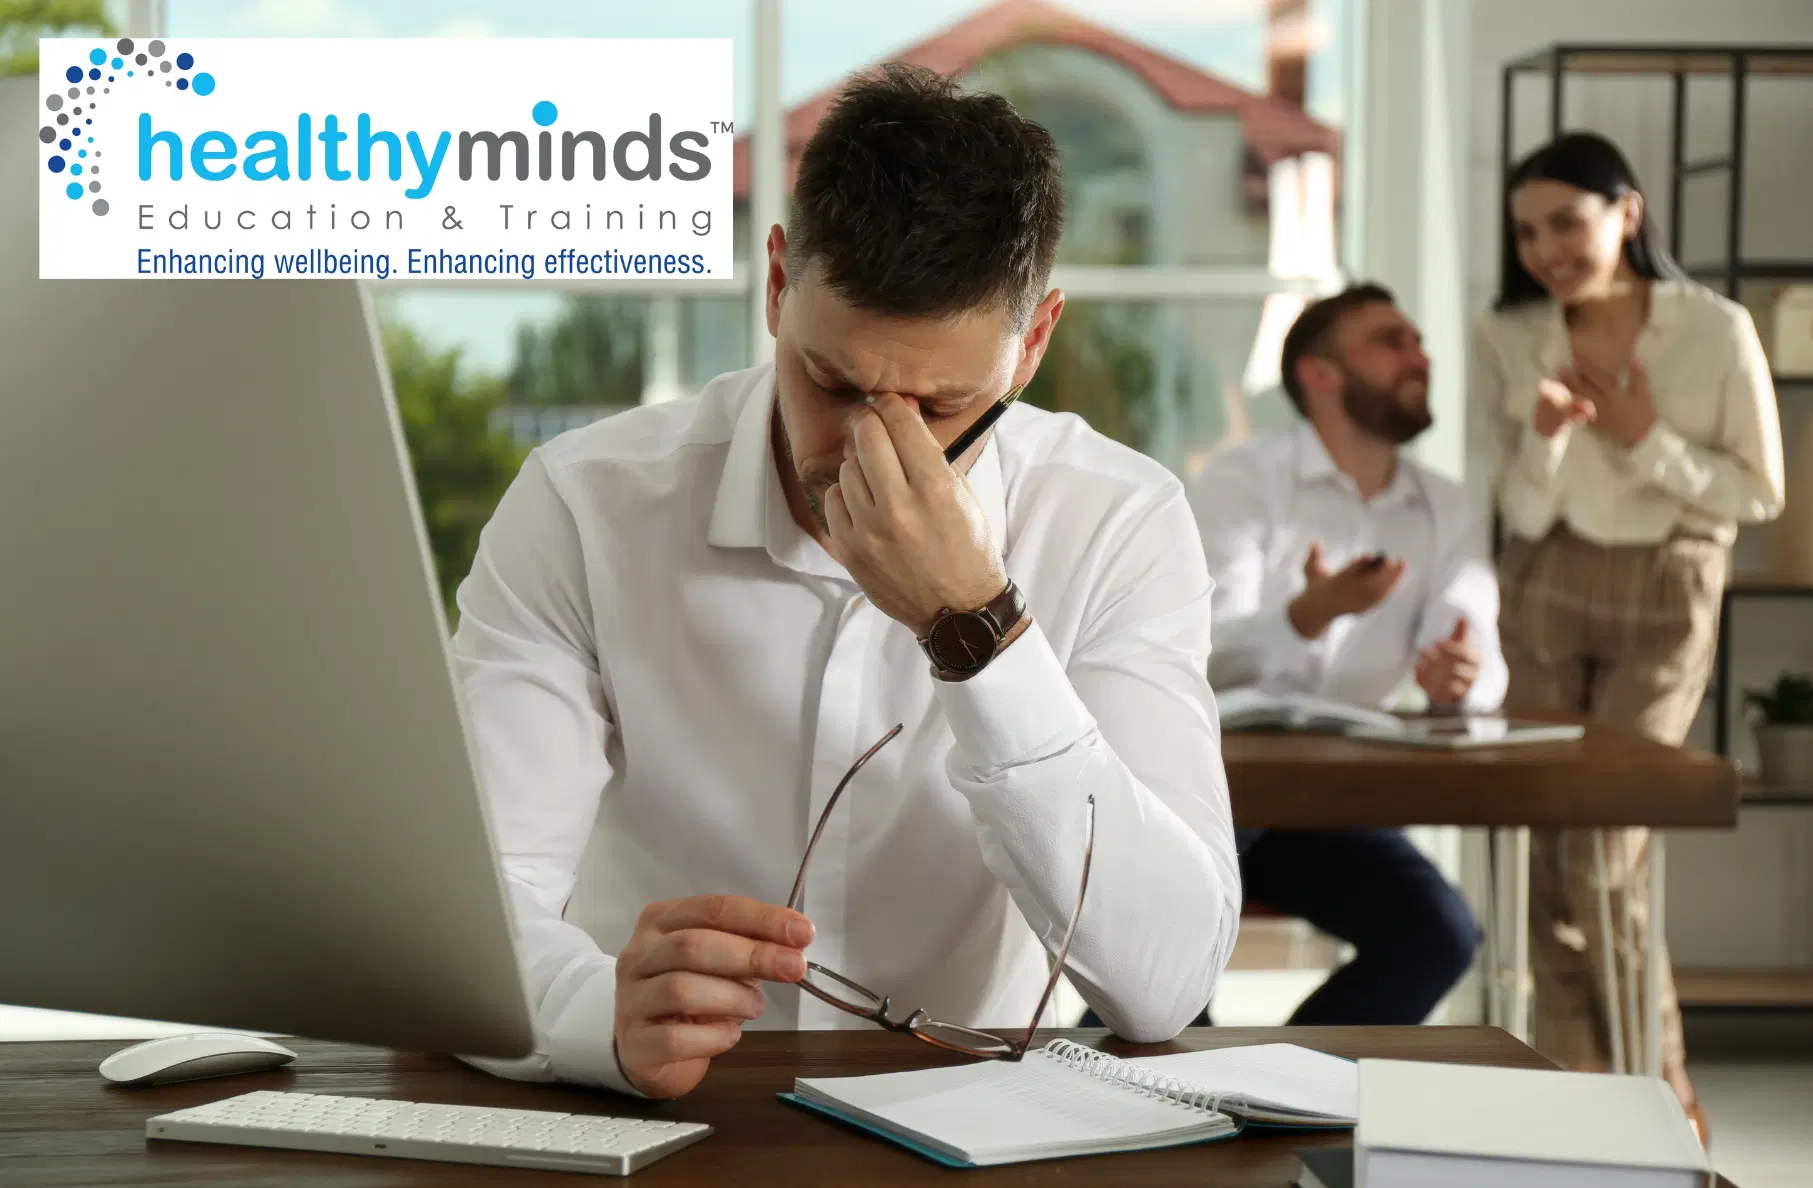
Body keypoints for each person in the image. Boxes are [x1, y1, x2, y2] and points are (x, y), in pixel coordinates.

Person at [447, 64, 1241, 1101]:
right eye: (833, 384)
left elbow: (1164, 984)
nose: (874, 449)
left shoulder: (1114, 521)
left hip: (972, 1131)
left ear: (1033, 342)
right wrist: (590, 1012)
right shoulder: (585, 503)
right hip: (651, 1118)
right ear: (777, 287)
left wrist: (977, 627)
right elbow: (472, 908)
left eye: (946, 405)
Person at [1469, 130, 1785, 1136]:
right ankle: (1589, 1091)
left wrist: (1644, 441)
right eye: (1527, 231)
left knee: (1604, 847)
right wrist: (1554, 442)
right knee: (1536, 847)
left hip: (1669, 581)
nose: (1546, 248)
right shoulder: (1507, 334)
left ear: (1628, 213)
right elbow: (1518, 512)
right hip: (1547, 577)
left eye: (1567, 220)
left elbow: (1759, 494)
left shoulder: (1716, 329)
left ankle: (1657, 1085)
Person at [1187, 284, 1500, 1026]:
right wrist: (1304, 615)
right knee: (1172, 942)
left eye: (1416, 340)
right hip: (1212, 790)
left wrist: (1459, 679)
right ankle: (1138, 1101)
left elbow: (1476, 649)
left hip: (1330, 804)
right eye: (1389, 341)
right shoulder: (1241, 481)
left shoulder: (1446, 507)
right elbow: (1192, 660)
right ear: (1319, 376)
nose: (1417, 356)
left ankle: (1281, 1089)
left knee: (1439, 936)